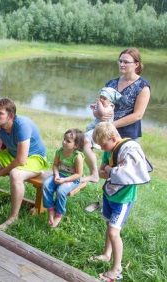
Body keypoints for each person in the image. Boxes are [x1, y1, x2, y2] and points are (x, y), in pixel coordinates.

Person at [88, 122, 152, 282]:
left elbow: (130, 174)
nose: (103, 149)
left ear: (113, 137)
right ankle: (106, 254)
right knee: (109, 226)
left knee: (113, 232)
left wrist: (111, 170)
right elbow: (102, 173)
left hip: (123, 199)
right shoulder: (109, 151)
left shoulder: (129, 149)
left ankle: (116, 269)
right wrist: (113, 171)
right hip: (109, 195)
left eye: (104, 145)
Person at [0, 98, 49, 231]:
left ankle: (13, 217)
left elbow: (21, 160)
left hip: (35, 158)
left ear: (11, 116)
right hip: (12, 153)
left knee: (16, 174)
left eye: (0, 113)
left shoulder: (22, 125)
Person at [82, 48, 151, 183]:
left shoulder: (143, 86)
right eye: (120, 61)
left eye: (126, 62)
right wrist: (97, 110)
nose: (121, 64)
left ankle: (123, 202)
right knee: (106, 168)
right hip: (106, 131)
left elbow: (137, 115)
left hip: (126, 133)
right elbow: (102, 105)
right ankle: (96, 178)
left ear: (136, 64)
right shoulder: (111, 83)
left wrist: (111, 125)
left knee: (125, 172)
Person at [42, 128, 85, 227]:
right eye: (64, 139)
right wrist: (57, 175)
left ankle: (58, 214)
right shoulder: (59, 151)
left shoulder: (77, 157)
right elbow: (55, 165)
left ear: (76, 145)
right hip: (59, 175)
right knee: (46, 185)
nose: (64, 142)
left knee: (61, 191)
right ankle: (51, 209)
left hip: (72, 178)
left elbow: (79, 174)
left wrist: (65, 180)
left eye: (68, 141)